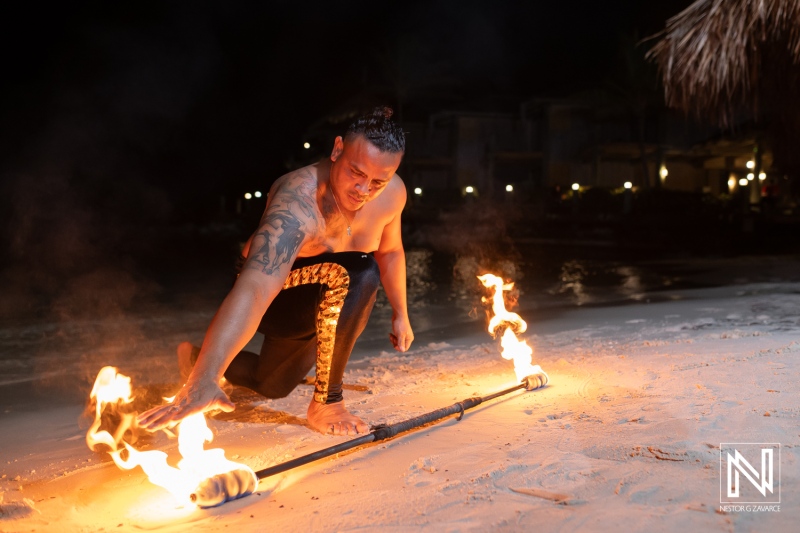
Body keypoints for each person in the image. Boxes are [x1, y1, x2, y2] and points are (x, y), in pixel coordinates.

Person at [138, 107, 414, 436]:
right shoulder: (298, 199)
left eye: (377, 181)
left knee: (271, 384)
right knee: (359, 270)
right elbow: (256, 286)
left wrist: (401, 313)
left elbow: (391, 250)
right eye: (356, 172)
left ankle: (193, 357)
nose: (364, 189)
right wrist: (206, 379)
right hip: (278, 294)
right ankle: (327, 402)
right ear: (337, 149)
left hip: (331, 301)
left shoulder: (394, 193)